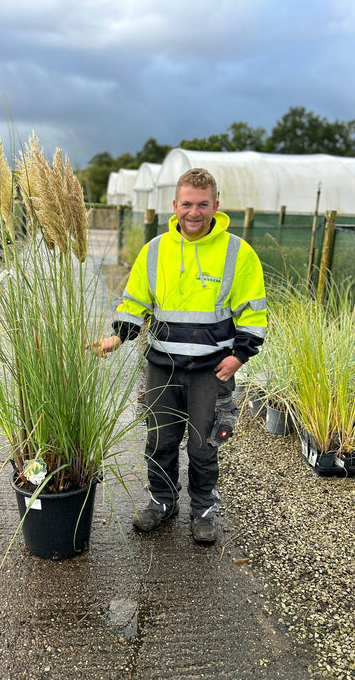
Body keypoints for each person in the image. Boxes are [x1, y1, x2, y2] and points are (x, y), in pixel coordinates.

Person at [95, 168, 267, 544]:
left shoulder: (238, 252)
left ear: (216, 206)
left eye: (202, 204)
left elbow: (253, 313)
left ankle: (203, 511)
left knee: (205, 445)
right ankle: (162, 501)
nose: (194, 212)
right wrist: (118, 338)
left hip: (212, 370)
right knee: (160, 441)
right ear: (174, 206)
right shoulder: (154, 250)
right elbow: (135, 300)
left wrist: (240, 355)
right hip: (163, 366)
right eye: (187, 204)